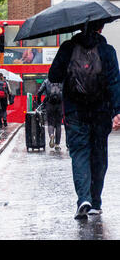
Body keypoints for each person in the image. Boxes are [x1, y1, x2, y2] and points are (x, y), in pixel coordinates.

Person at [49, 20, 120, 220]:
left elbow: (53, 75)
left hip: (75, 113)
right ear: (101, 27)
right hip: (101, 113)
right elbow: (115, 81)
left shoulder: (68, 47)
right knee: (99, 156)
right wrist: (117, 111)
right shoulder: (107, 50)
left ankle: (83, 199)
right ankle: (96, 202)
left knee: (79, 154)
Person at [37, 78, 63, 151]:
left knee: (50, 123)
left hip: (50, 104)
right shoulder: (61, 80)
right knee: (58, 125)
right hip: (59, 105)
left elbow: (39, 92)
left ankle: (51, 135)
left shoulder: (46, 81)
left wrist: (39, 102)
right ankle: (57, 145)